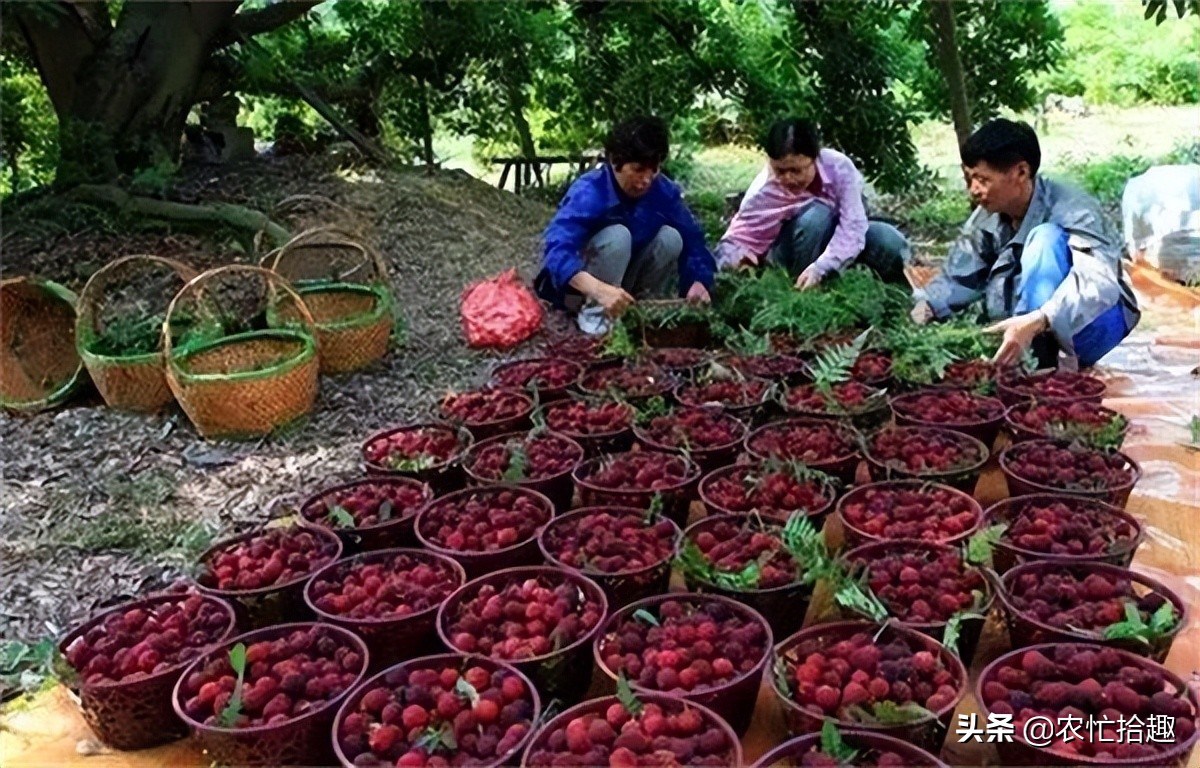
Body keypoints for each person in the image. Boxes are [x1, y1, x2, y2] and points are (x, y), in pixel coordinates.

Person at [911, 118, 1140, 370]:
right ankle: (1029, 358)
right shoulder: (988, 215)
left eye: (982, 180)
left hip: (1090, 327)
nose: (973, 191)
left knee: (1045, 239)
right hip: (1020, 330)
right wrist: (929, 304)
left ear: (1021, 172)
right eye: (970, 179)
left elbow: (1098, 282)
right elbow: (959, 276)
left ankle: (1041, 364)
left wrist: (1040, 319)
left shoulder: (1072, 208)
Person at [535, 116, 716, 335]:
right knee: (617, 236)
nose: (647, 180)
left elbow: (694, 242)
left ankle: (641, 311)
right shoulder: (590, 192)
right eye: (639, 169)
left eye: (654, 169)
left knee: (672, 237)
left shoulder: (663, 192)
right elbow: (556, 252)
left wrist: (697, 281)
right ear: (615, 161)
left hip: (625, 284)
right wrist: (599, 290)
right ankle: (596, 320)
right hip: (580, 292)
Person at [715, 117, 911, 289]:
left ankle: (894, 291)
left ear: (815, 158)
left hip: (837, 246)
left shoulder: (839, 168)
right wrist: (733, 262)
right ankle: (799, 287)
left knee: (888, 239)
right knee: (816, 216)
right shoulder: (764, 191)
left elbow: (854, 225)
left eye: (796, 170)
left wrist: (823, 267)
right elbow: (737, 239)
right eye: (780, 171)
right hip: (793, 251)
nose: (788, 179)